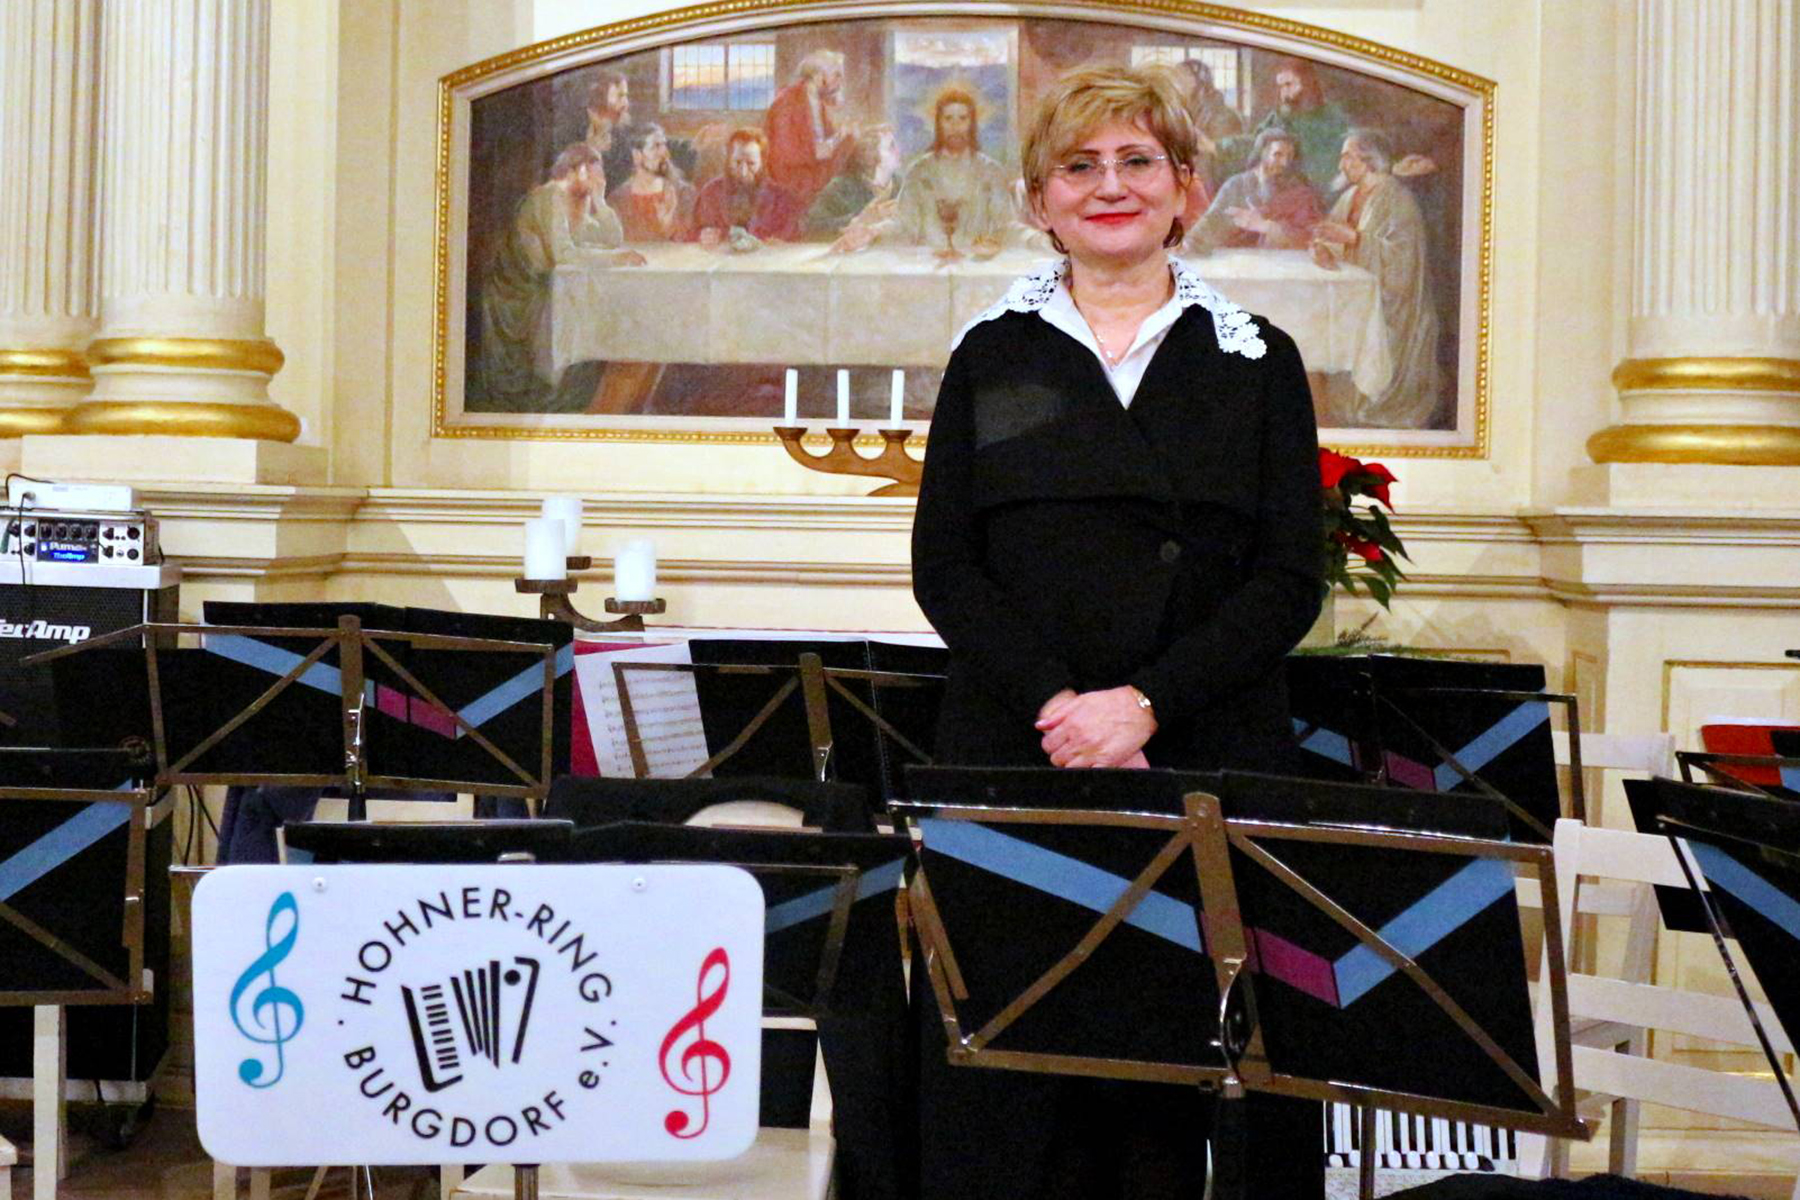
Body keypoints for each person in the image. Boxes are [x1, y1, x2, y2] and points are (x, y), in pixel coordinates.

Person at [910, 62, 1324, 1200]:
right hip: (1020, 751)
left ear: (1186, 187)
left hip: (1200, 748)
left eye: (1137, 160)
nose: (1109, 186)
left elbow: (1290, 579)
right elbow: (945, 567)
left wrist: (1143, 708)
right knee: (1017, 1081)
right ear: (1038, 199)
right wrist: (1063, 708)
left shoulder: (1257, 358)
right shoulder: (992, 353)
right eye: (1078, 166)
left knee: (1176, 1087)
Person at [474, 143, 645, 412]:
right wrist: (614, 259)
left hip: (548, 283)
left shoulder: (580, 198)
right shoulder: (551, 196)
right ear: (575, 170)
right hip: (520, 290)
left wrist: (600, 201)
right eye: (594, 175)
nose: (599, 181)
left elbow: (612, 239)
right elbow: (563, 254)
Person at [1312, 129, 1442, 427]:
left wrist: (1355, 239)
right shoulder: (1349, 196)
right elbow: (1336, 239)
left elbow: (1403, 259)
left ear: (1369, 160)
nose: (1341, 165)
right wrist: (1325, 250)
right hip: (1356, 301)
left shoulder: (1396, 198)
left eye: (1348, 157)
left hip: (1392, 309)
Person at [891, 87, 1017, 256]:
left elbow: (1006, 226)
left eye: (962, 118)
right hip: (929, 263)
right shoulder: (919, 171)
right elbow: (903, 225)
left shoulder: (990, 171)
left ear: (972, 124)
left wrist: (1034, 239)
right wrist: (872, 232)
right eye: (948, 118)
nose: (955, 126)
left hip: (977, 263)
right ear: (938, 124)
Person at [1188, 126, 1324, 250]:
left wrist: (1267, 227)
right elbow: (1210, 222)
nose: (1284, 163)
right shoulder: (1236, 185)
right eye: (1278, 155)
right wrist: (1188, 243)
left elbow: (1311, 234)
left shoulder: (1299, 192)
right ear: (1262, 153)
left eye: (1289, 157)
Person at [764, 49, 856, 209]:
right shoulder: (787, 102)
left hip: (815, 186)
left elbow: (827, 148)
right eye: (836, 75)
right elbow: (782, 154)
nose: (841, 81)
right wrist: (822, 149)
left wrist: (843, 137)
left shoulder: (818, 103)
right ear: (818, 76)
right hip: (791, 192)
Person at [688, 127, 804, 245]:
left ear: (763, 163)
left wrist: (781, 244)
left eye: (751, 164)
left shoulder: (781, 199)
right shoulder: (710, 193)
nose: (743, 172)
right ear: (729, 160)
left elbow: (794, 240)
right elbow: (692, 234)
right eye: (737, 162)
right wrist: (702, 235)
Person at [804, 124, 902, 249]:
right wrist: (857, 220)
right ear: (871, 156)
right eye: (891, 147)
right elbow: (810, 229)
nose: (898, 151)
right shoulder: (841, 188)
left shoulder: (902, 185)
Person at [609, 123, 694, 242]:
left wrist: (668, 224)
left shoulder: (684, 193)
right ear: (637, 155)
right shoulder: (618, 199)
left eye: (664, 145)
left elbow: (690, 241)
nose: (664, 153)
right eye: (656, 146)